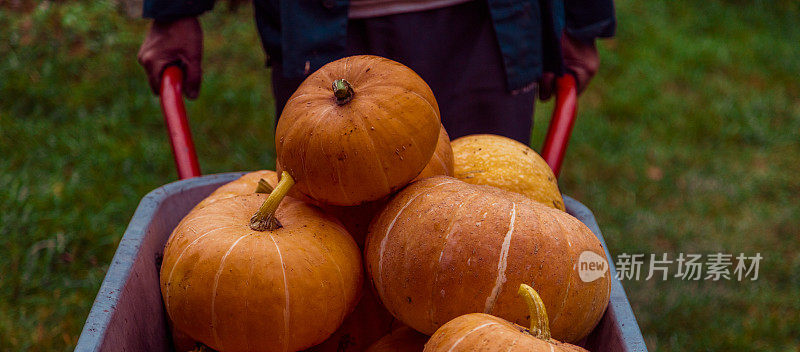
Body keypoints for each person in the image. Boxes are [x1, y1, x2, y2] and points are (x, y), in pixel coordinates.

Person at [138, 1, 614, 145]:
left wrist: (582, 15)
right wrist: (175, 8)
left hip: (487, 26)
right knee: (330, 249)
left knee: (488, 234)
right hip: (323, 28)